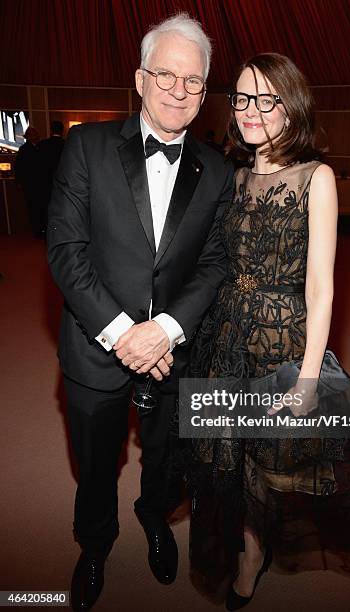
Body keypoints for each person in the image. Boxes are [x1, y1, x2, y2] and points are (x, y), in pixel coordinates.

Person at [188, 53, 350, 610]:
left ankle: (253, 554)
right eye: (242, 98)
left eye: (266, 99)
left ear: (290, 104)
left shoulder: (316, 177)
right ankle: (247, 543)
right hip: (226, 335)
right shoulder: (233, 176)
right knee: (227, 454)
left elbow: (322, 288)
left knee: (270, 461)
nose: (251, 111)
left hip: (282, 344)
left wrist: (306, 380)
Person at [47, 13, 233, 611]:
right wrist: (127, 334)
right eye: (166, 75)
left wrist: (167, 331)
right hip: (95, 346)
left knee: (166, 457)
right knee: (96, 461)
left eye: (194, 81)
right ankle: (96, 542)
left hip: (175, 353)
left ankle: (155, 518)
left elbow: (213, 264)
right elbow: (66, 252)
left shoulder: (219, 171)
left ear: (205, 90)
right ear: (139, 78)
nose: (179, 91)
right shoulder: (86, 146)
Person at [14, 126, 43, 237]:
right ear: (28, 137)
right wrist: (19, 182)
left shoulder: (42, 147)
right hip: (30, 184)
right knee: (33, 207)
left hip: (41, 184)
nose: (34, 136)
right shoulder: (24, 149)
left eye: (35, 134)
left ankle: (43, 229)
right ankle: (37, 230)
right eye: (32, 134)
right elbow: (19, 167)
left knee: (42, 206)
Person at [38, 120, 65, 236]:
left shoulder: (43, 145)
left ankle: (46, 231)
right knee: (62, 207)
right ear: (62, 131)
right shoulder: (67, 144)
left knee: (46, 206)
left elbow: (37, 165)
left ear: (51, 130)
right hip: (63, 183)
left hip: (45, 182)